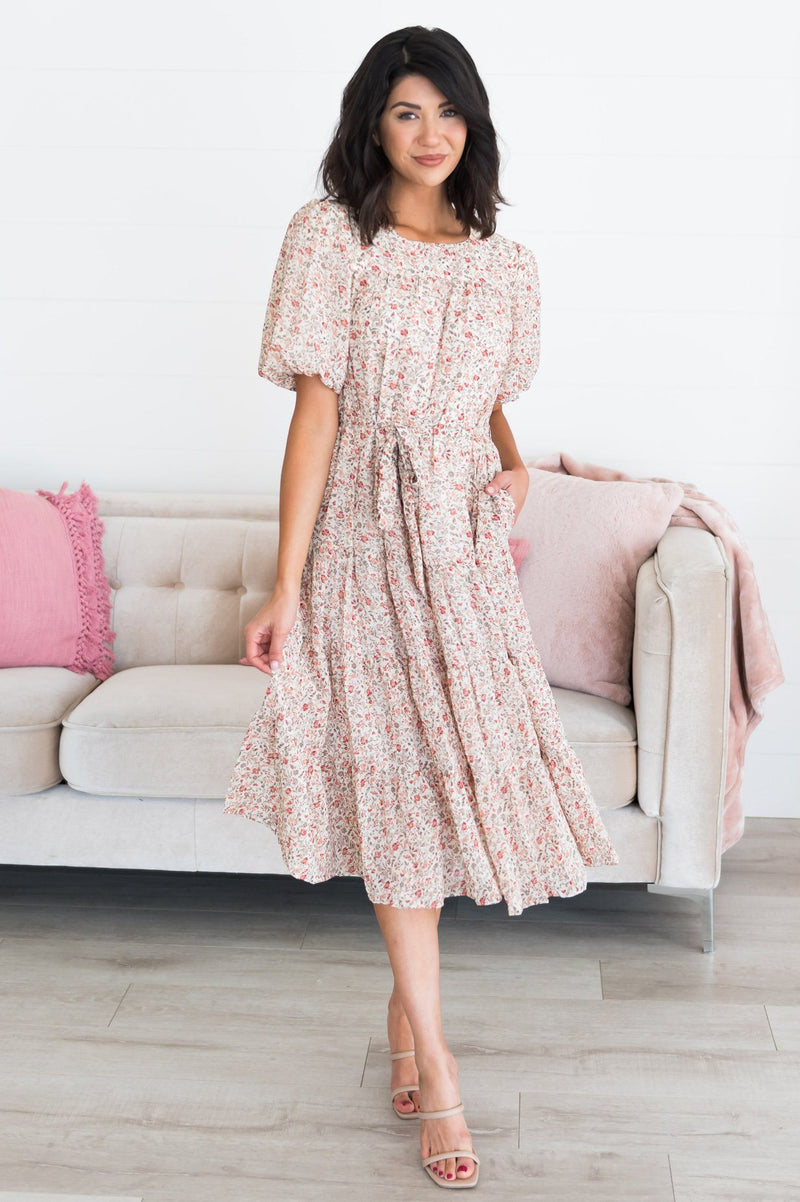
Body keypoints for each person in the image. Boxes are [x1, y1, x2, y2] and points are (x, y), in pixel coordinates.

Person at [223, 26, 619, 1190]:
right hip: (362, 537)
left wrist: (514, 461)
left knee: (450, 778)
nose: (429, 133)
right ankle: (437, 1064)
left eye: (446, 111)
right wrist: (287, 580)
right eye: (404, 111)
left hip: (462, 545)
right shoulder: (330, 238)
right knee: (397, 781)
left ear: (471, 123)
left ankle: (404, 1011)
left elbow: (486, 395)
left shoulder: (504, 261)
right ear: (372, 124)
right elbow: (316, 414)